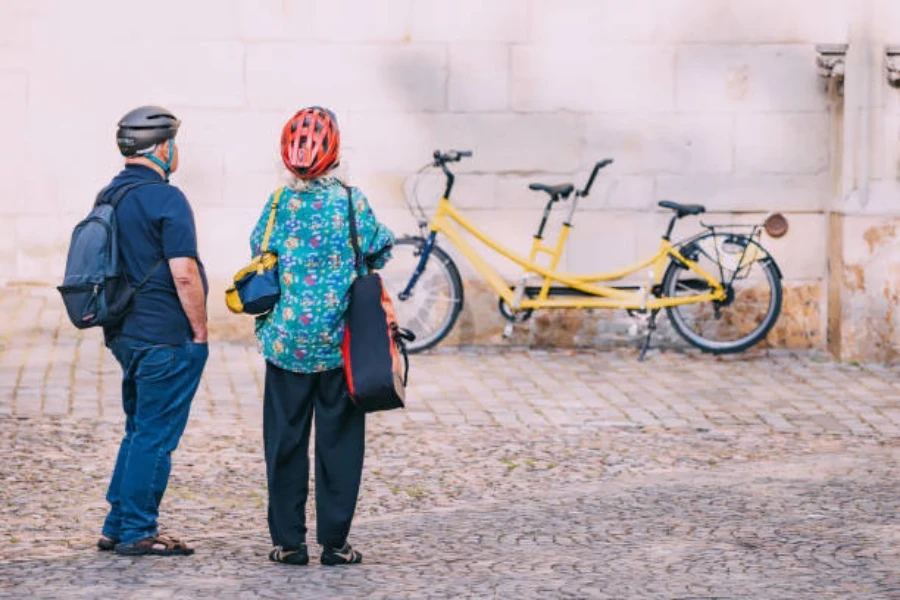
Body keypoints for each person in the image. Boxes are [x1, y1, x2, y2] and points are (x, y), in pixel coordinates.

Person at [252, 106, 393, 566]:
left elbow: (258, 249)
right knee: (340, 445)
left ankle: (289, 543)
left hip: (287, 344)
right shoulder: (352, 202)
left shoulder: (277, 204)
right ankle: (335, 543)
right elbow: (379, 245)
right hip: (339, 347)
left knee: (285, 443)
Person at [97, 106, 209, 556]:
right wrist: (200, 331)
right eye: (174, 143)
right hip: (165, 336)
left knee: (138, 430)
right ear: (162, 148)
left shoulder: (108, 196)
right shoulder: (168, 199)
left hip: (125, 333)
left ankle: (116, 523)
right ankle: (139, 530)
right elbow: (183, 272)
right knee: (155, 436)